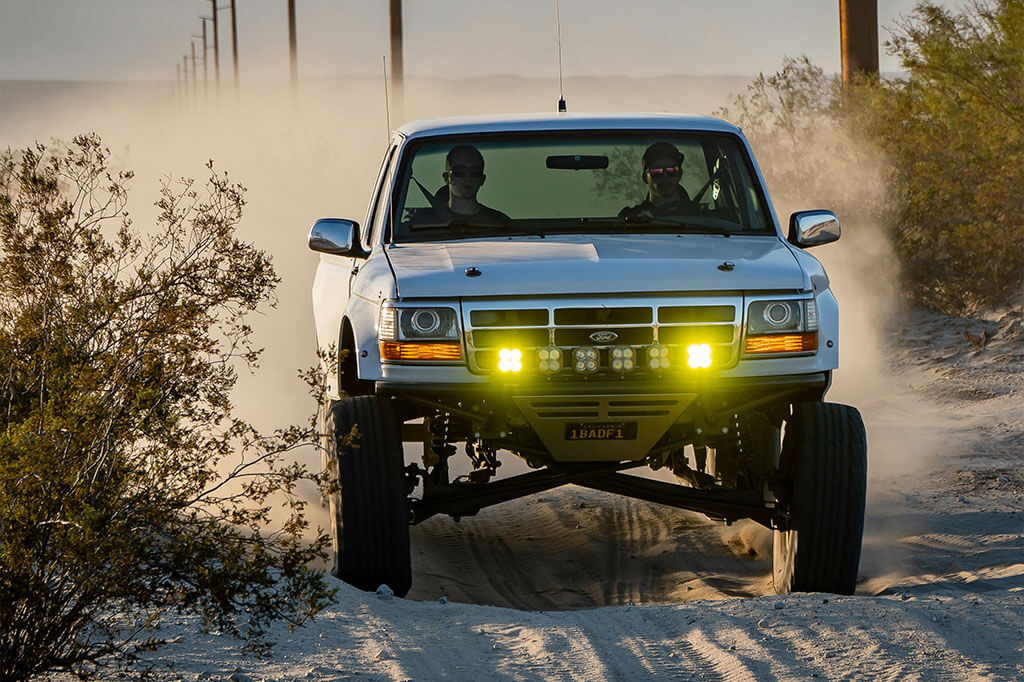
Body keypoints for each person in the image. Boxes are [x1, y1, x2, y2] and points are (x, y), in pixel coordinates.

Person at [414, 144, 511, 227]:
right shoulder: (422, 221)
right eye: (460, 172)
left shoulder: (500, 222)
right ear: (446, 178)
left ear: (482, 179)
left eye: (474, 172)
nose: (467, 178)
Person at [618, 141, 696, 219]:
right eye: (656, 172)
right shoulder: (630, 217)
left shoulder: (699, 217)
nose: (665, 177)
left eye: (671, 171)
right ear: (645, 178)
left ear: (680, 174)